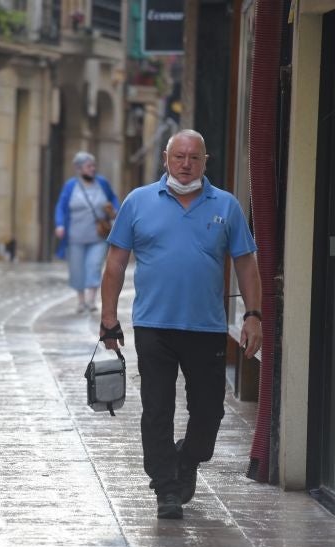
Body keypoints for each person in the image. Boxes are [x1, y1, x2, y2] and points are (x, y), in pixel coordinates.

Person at [99, 130, 262, 520]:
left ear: (206, 162)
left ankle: (188, 458)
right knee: (157, 408)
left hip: (206, 327)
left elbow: (246, 264)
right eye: (178, 157)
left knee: (209, 410)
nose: (185, 165)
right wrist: (108, 318)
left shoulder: (226, 205)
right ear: (166, 160)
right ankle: (165, 487)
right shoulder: (138, 202)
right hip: (154, 326)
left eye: (194, 158)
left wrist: (254, 316)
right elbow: (116, 263)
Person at [54, 152, 120, 313]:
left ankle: (91, 300)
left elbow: (113, 199)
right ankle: (81, 300)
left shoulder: (102, 183)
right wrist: (60, 224)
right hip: (75, 237)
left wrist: (115, 213)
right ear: (78, 168)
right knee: (77, 269)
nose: (92, 169)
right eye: (88, 166)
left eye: (93, 165)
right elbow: (61, 207)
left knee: (94, 265)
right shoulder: (71, 186)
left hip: (98, 236)